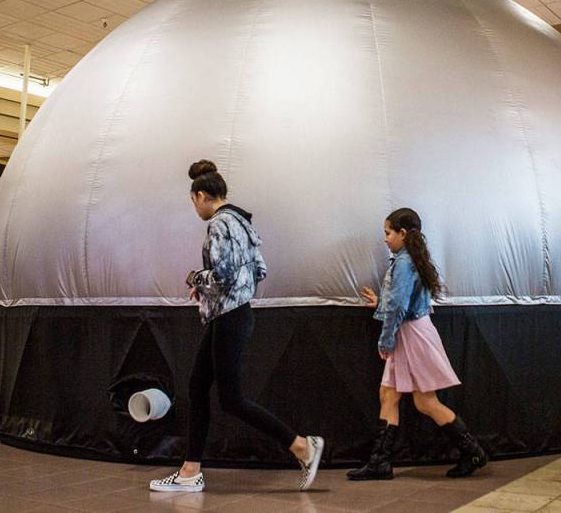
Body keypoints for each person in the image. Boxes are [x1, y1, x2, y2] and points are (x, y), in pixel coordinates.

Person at [150, 160, 325, 493]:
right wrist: (220, 287)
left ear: (201, 195)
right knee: (198, 386)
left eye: (193, 201)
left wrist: (195, 279)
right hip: (234, 313)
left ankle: (302, 446)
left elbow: (223, 276)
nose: (195, 209)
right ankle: (190, 471)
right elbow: (259, 270)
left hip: (228, 316)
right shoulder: (243, 222)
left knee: (232, 399)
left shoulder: (218, 224)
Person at [348, 207, 487, 481]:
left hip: (410, 335)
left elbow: (400, 305)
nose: (385, 239)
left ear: (402, 233)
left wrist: (385, 339)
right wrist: (381, 303)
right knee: (393, 396)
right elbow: (403, 302)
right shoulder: (411, 259)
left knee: (424, 402)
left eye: (388, 233)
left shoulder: (403, 262)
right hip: (413, 333)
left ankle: (471, 451)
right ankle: (381, 462)